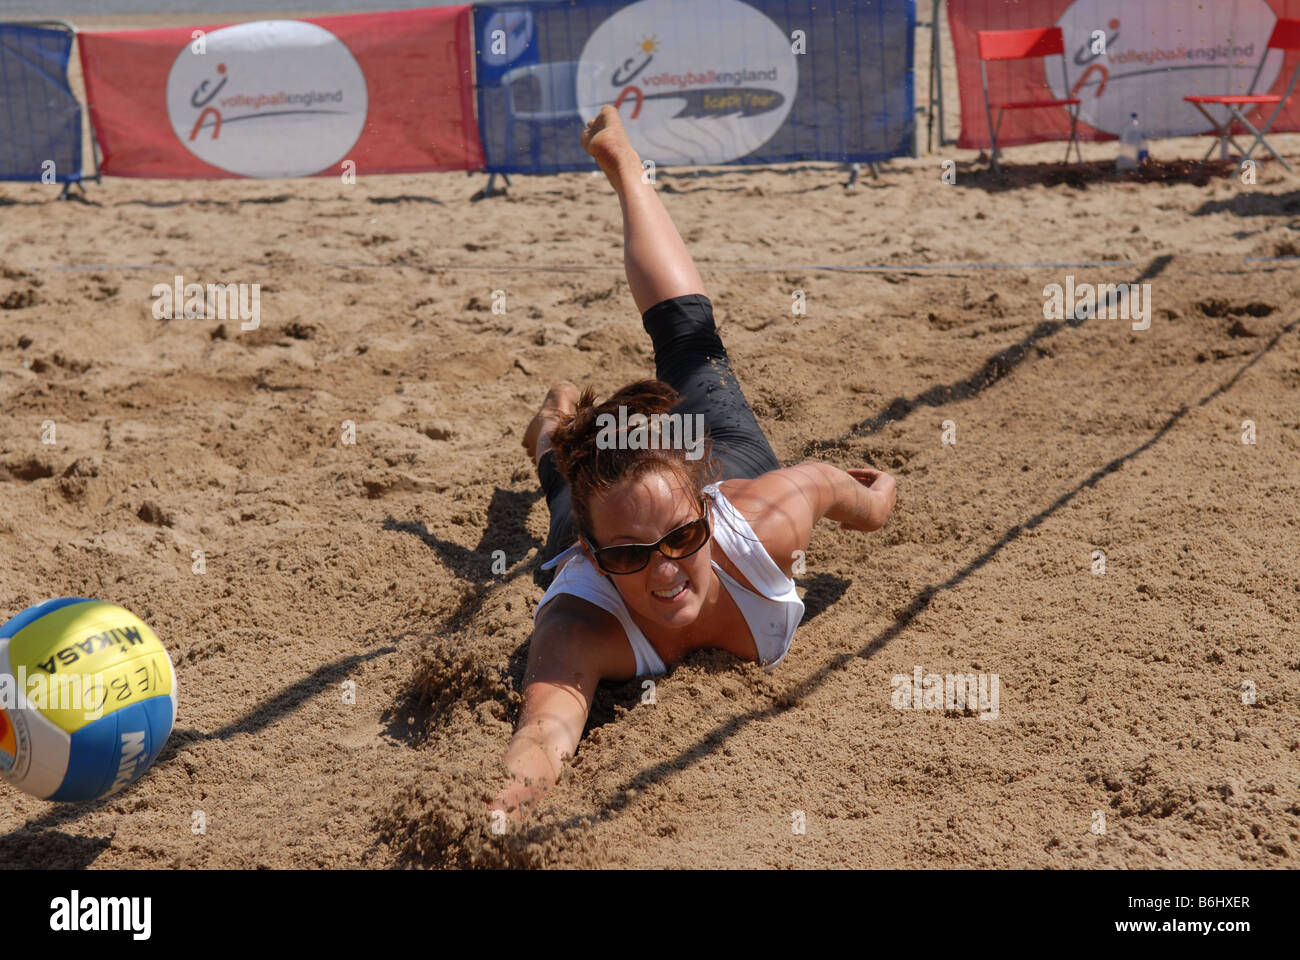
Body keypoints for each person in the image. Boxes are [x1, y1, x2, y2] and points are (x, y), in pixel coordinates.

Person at [491, 105, 897, 820]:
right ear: (593, 554)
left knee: (691, 341)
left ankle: (626, 168)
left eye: (681, 539)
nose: (666, 570)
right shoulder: (582, 621)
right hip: (610, 503)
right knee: (563, 468)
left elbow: (842, 489)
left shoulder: (767, 524)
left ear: (708, 514)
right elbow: (544, 736)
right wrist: (500, 810)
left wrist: (880, 496)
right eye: (630, 557)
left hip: (720, 459)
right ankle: (554, 424)